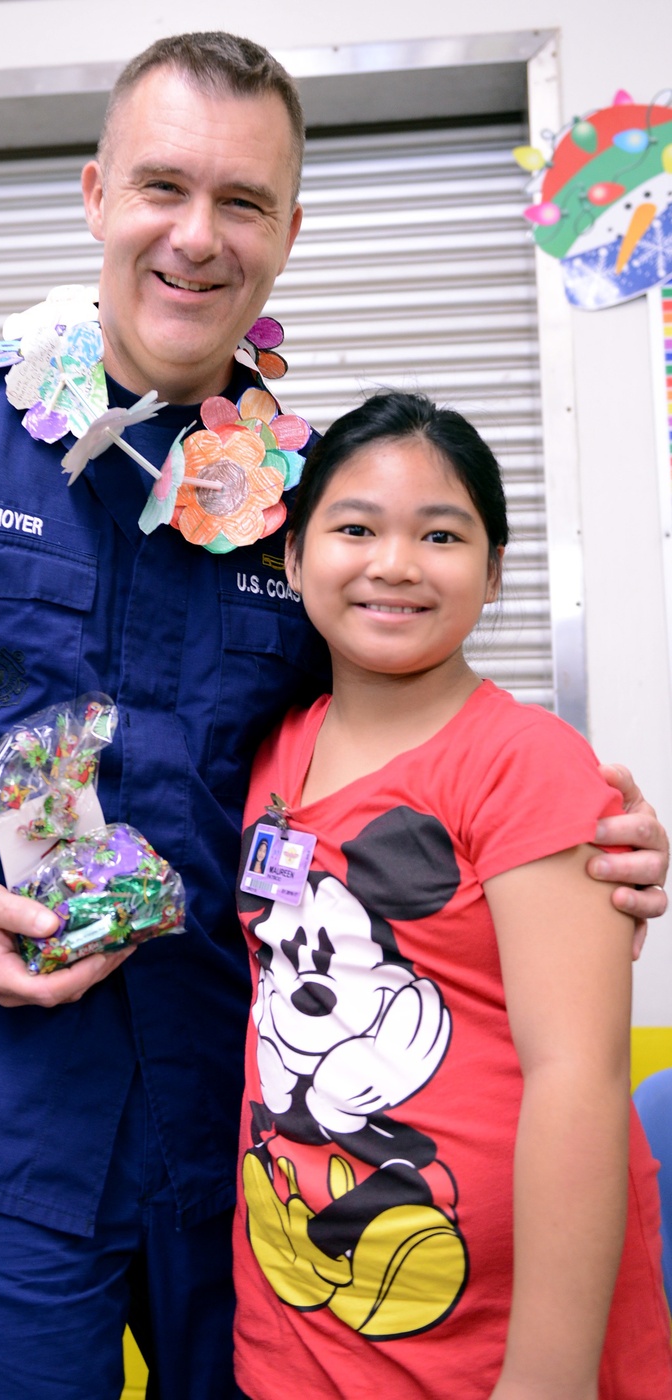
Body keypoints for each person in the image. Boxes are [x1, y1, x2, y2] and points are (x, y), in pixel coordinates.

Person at [0, 31, 667, 1400]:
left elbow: (391, 750)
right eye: (163, 187)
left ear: (289, 232)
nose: (195, 237)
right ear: (97, 194)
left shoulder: (298, 507)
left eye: (243, 203)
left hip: (245, 1160)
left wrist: (584, 835)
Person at [233, 392, 672, 1399]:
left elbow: (579, 1078)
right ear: (294, 558)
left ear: (493, 570)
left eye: (440, 533)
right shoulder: (271, 753)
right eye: (354, 528)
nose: (394, 562)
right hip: (297, 1324)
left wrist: (545, 1380)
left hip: (491, 1348)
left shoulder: (526, 766)